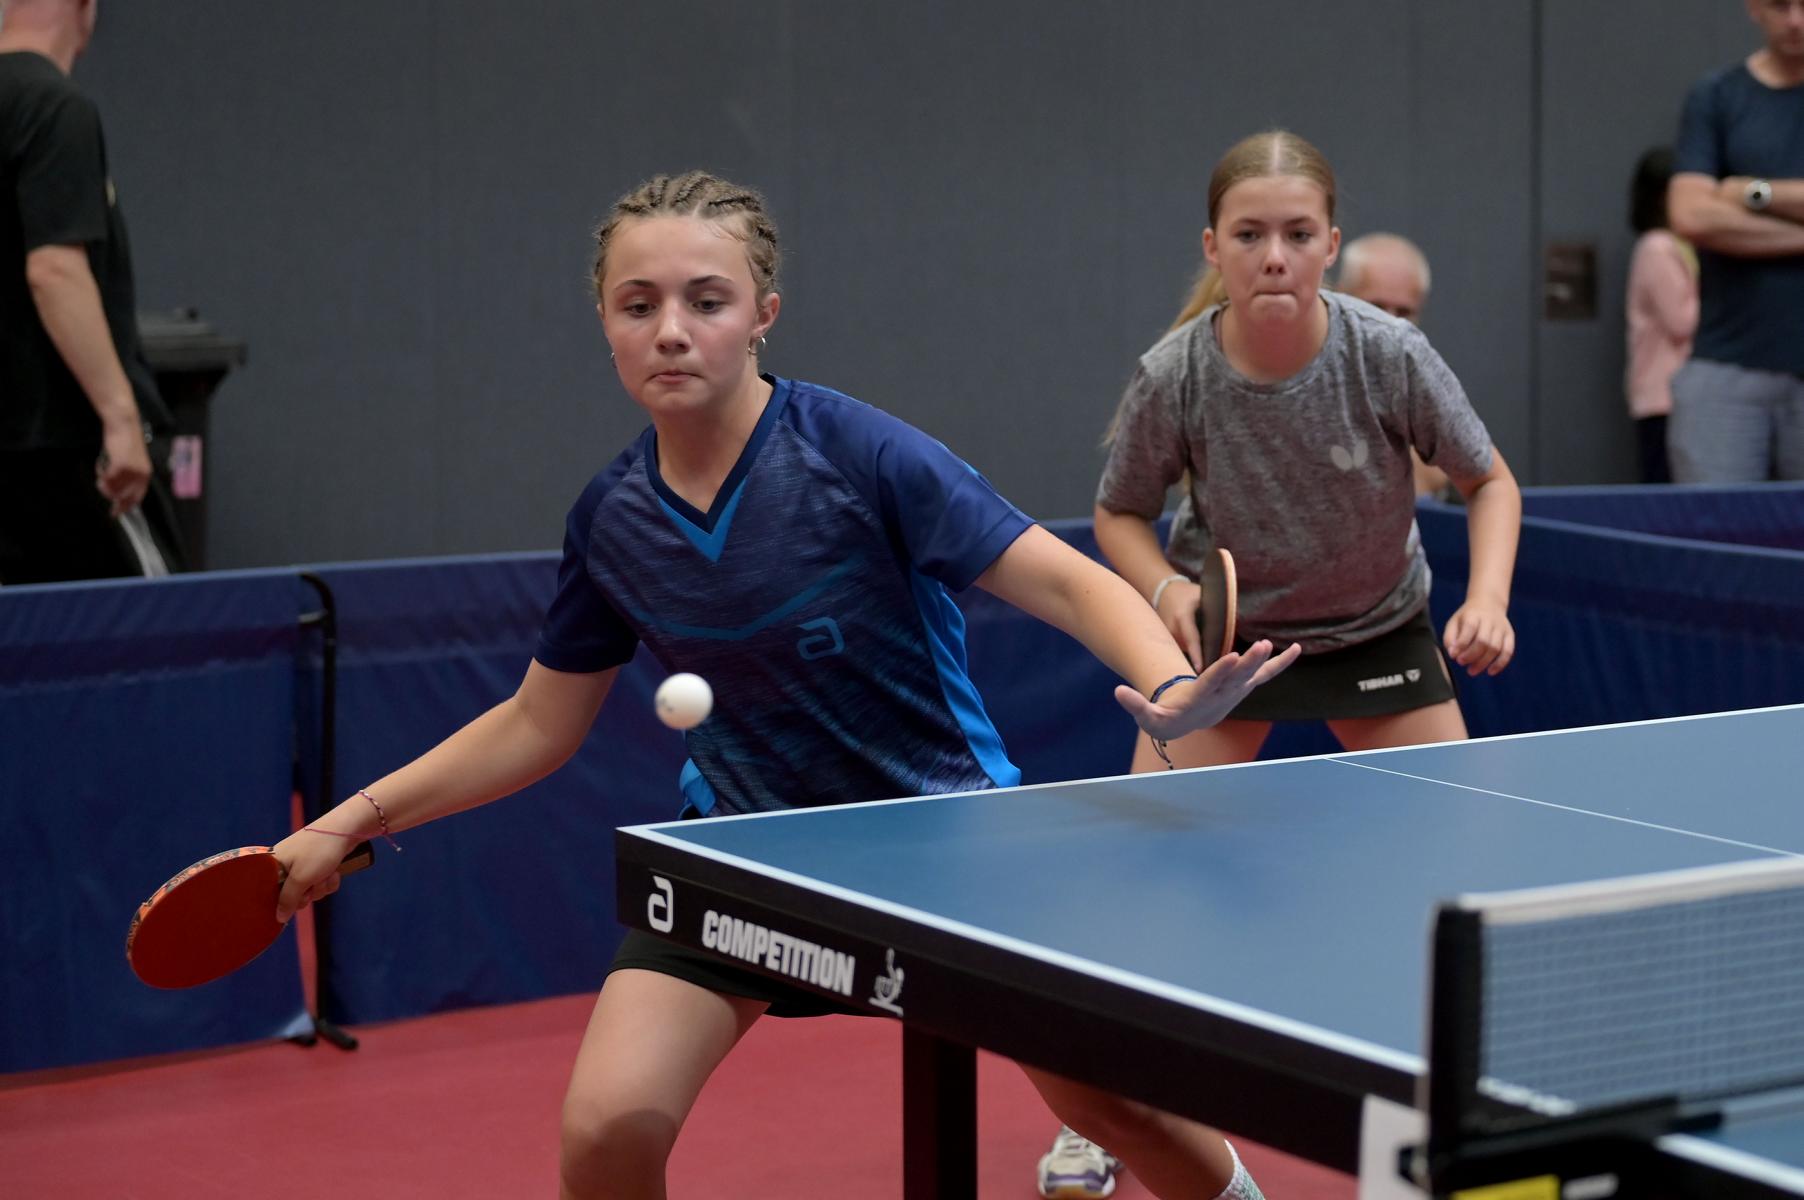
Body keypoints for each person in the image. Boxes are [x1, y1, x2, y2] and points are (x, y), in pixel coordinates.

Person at [270, 171, 1297, 1200]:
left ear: (763, 314)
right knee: (606, 1128)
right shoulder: (612, 519)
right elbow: (538, 721)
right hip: (747, 856)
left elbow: (1068, 582)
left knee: (1119, 1107)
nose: (672, 331)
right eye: (639, 305)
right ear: (606, 323)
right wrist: (350, 820)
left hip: (946, 841)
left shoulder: (860, 454)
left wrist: (1170, 683)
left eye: (706, 301)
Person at [1035, 132, 1521, 1197]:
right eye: (1250, 234)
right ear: (1214, 246)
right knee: (1142, 886)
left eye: (1297, 235)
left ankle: (1486, 1109)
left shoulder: (1386, 352)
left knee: (1464, 888)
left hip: (1379, 637)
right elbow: (1119, 513)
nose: (1274, 256)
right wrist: (1163, 592)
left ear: (1330, 245)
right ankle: (1105, 1115)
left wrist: (1485, 599)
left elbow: (1490, 480)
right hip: (1229, 655)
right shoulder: (1177, 372)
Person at [0, 0, 171, 583]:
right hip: (66, 454)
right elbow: (54, 270)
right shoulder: (54, 107)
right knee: (152, 626)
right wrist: (121, 419)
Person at [1665, 0, 1804, 483]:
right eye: (1780, 4)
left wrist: (1752, 192)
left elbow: (1715, 206)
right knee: (1715, 524)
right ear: (1753, 7)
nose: (1795, 20)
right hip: (1728, 367)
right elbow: (1691, 213)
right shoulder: (1717, 96)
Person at [1334, 232, 1452, 499]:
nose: (1389, 326)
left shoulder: (1426, 383)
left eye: (1404, 312)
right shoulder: (1308, 369)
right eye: (1375, 307)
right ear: (1340, 297)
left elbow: (1469, 476)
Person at [1624, 148, 1699, 484]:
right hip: (1662, 398)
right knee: (1665, 491)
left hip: (1681, 398)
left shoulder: (1681, 244)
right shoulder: (1657, 247)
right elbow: (1682, 321)